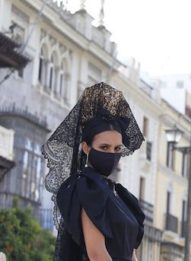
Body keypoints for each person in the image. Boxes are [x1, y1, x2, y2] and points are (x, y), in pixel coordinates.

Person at [43, 83, 145, 261]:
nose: (112, 154)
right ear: (85, 147)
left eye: (117, 148)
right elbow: (97, 254)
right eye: (104, 147)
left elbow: (131, 254)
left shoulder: (120, 196)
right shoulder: (87, 188)